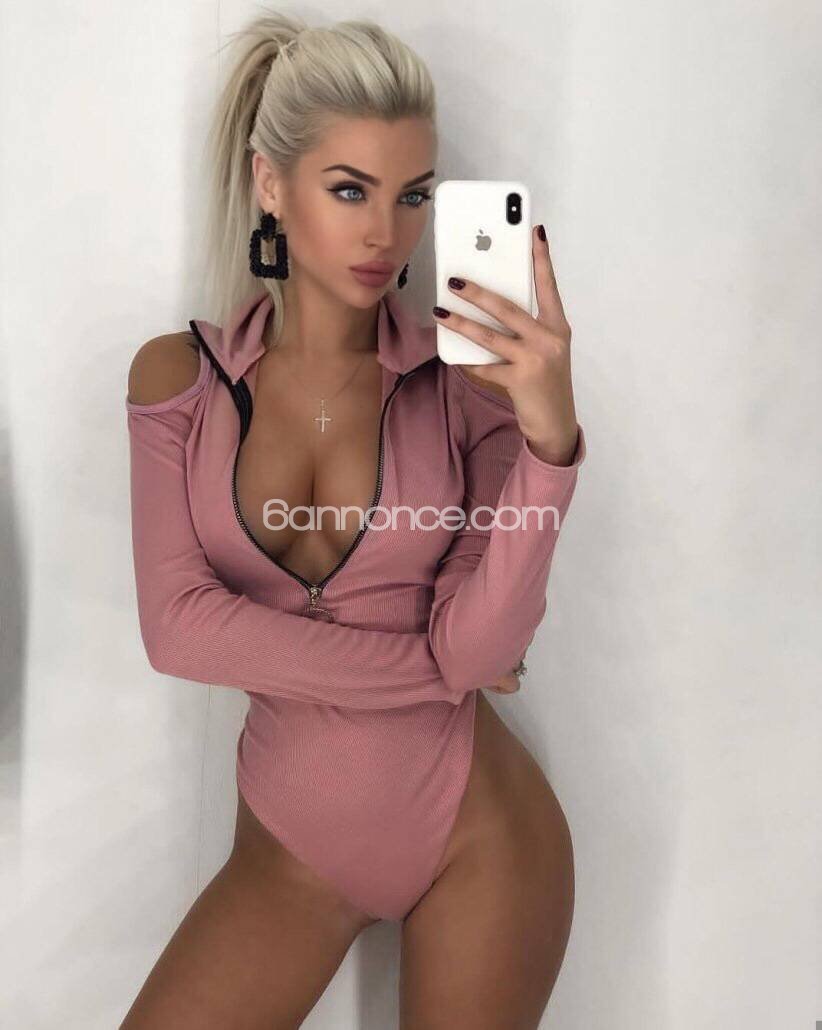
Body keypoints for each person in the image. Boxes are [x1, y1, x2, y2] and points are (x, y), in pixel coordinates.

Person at [120, 11, 586, 1029]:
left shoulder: (470, 395)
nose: (387, 232)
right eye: (349, 189)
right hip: (291, 857)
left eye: (413, 194)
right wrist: (426, 669)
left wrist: (550, 445)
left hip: (482, 839)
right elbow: (177, 629)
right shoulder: (180, 379)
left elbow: (482, 647)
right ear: (270, 183)